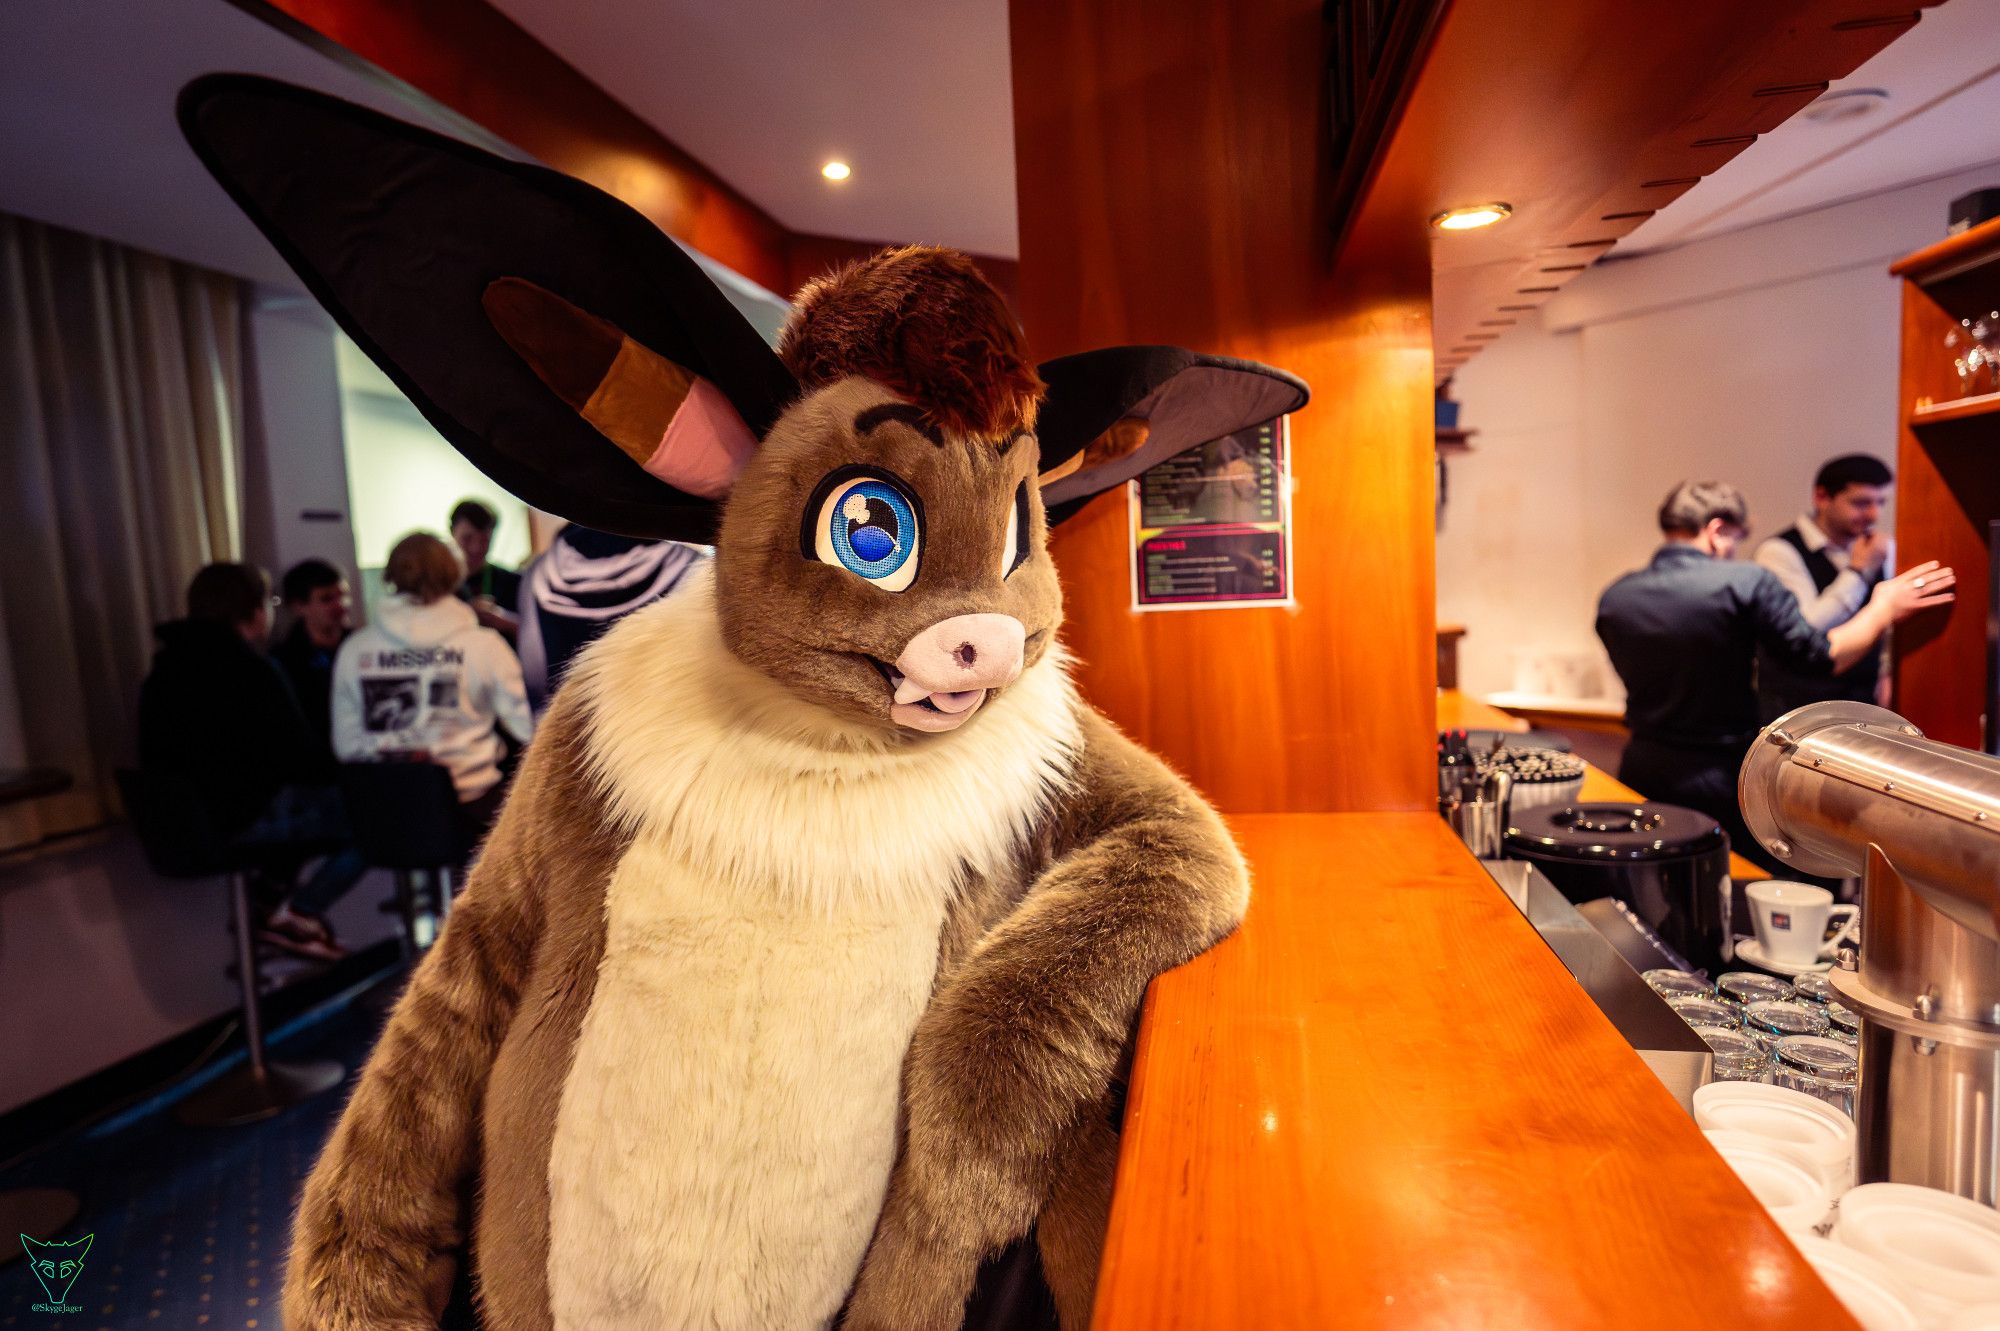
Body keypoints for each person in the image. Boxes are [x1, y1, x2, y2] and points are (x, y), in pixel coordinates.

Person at [1594, 481, 1954, 871]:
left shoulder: (1617, 595)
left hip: (1641, 766)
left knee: (1653, 878)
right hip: (1720, 775)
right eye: (1733, 540)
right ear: (1716, 530)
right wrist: (1882, 608)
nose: (1731, 551)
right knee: (1734, 884)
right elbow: (1820, 659)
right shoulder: (1744, 582)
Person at [138, 563, 365, 959]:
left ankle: (269, 906)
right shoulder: (254, 671)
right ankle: (296, 911)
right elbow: (304, 761)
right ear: (255, 611)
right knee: (376, 815)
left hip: (185, 827)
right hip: (241, 820)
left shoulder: (162, 672)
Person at [333, 532, 534, 856]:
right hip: (472, 809)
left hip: (381, 813)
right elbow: (528, 729)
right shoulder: (482, 645)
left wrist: (402, 751)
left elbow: (346, 746)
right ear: (453, 575)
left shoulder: (355, 650)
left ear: (390, 577)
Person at [1755, 453, 1895, 720]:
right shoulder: (1778, 552)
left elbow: (1889, 625)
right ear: (1821, 497)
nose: (1873, 514)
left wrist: (1887, 671)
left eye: (1880, 502)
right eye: (1861, 503)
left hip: (1864, 704)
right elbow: (1808, 627)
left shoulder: (1880, 547)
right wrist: (1857, 572)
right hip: (1797, 709)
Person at [516, 525, 707, 714]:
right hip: (664, 728)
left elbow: (535, 679)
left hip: (569, 729)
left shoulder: (536, 575)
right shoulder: (694, 568)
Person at [270, 558, 352, 764]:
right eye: (326, 599)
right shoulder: (285, 659)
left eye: (343, 596)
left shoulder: (359, 647)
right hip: (315, 768)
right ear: (299, 606)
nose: (340, 605)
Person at [449, 498, 522, 639]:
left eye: (484, 540)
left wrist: (505, 621)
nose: (475, 548)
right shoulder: (435, 584)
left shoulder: (513, 582)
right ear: (452, 532)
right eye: (467, 538)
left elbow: (537, 635)